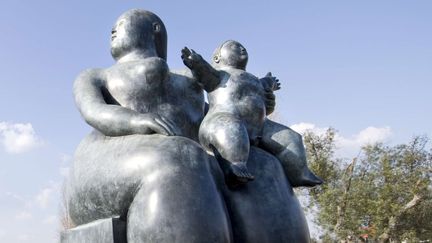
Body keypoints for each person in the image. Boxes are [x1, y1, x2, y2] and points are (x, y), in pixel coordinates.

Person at [67, 9, 311, 243]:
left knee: (263, 164)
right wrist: (137, 120)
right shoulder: (96, 75)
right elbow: (94, 111)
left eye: (120, 24)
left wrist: (257, 104)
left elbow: (217, 115)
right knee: (179, 155)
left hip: (191, 158)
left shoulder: (186, 78)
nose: (112, 30)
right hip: (107, 157)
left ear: (155, 29)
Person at [181, 41, 322, 188]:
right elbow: (204, 73)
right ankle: (234, 165)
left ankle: (299, 172)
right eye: (234, 46)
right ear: (217, 58)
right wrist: (197, 63)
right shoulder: (219, 75)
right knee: (231, 130)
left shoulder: (255, 80)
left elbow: (267, 94)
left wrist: (271, 85)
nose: (241, 48)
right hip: (223, 119)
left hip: (260, 126)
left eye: (242, 46)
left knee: (291, 138)